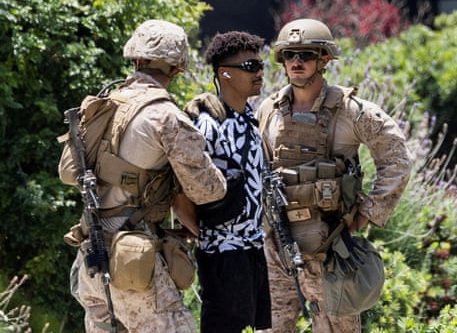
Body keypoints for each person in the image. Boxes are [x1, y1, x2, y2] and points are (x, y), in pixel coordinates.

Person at [60, 19, 227, 333]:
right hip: (131, 261)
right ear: (177, 68)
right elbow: (208, 189)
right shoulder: (164, 115)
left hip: (91, 257)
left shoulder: (104, 104)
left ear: (136, 59)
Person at [256, 18, 413, 332]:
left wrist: (367, 213)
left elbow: (397, 158)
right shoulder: (268, 110)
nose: (297, 62)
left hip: (329, 244)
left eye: (306, 54)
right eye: (290, 55)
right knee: (271, 326)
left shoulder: (350, 111)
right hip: (277, 243)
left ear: (324, 59)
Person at [183, 31, 272, 333]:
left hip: (253, 250)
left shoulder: (249, 119)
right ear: (225, 75)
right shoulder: (207, 124)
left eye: (261, 66)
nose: (259, 73)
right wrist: (207, 232)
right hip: (223, 255)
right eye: (250, 67)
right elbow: (179, 192)